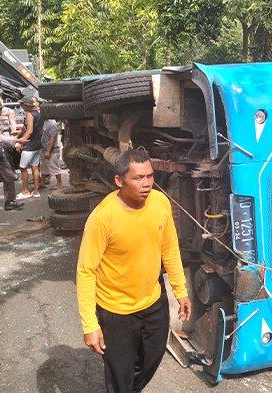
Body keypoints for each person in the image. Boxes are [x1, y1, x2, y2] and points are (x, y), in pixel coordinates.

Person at [76, 149, 192, 393]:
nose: (147, 183)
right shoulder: (102, 218)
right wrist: (90, 324)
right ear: (119, 181)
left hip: (152, 303)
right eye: (138, 178)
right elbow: (86, 271)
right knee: (120, 375)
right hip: (116, 311)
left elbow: (169, 248)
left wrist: (180, 290)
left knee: (151, 358)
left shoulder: (160, 203)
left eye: (150, 176)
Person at [16, 96, 43, 199]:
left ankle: (25, 191)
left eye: (22, 104)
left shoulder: (29, 114)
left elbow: (30, 130)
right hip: (37, 144)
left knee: (23, 168)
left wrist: (21, 142)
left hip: (30, 145)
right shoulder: (39, 114)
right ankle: (36, 191)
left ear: (26, 105)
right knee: (35, 167)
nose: (21, 106)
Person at [40, 118, 63, 190]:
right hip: (44, 148)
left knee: (54, 167)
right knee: (43, 167)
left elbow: (52, 138)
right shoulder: (44, 122)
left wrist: (48, 151)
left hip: (52, 150)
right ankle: (42, 183)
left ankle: (59, 183)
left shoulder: (52, 123)